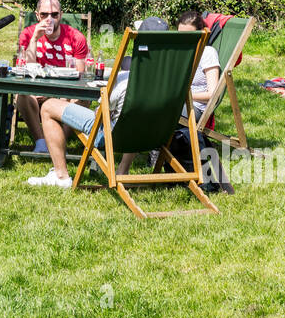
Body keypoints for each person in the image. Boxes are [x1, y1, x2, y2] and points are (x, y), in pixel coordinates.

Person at [29, 11, 221, 188]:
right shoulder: (170, 82)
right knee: (131, 117)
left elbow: (102, 112)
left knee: (49, 107)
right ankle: (122, 169)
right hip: (156, 136)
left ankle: (61, 176)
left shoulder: (124, 80)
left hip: (115, 137)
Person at [14, 0, 91, 155]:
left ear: (61, 15)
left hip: (64, 94)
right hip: (36, 94)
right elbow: (25, 69)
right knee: (21, 95)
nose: (49, 19)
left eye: (54, 14)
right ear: (37, 15)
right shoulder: (28, 34)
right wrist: (35, 39)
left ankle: (58, 140)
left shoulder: (75, 37)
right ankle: (41, 142)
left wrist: (58, 95)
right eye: (44, 15)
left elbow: (80, 77)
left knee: (83, 98)